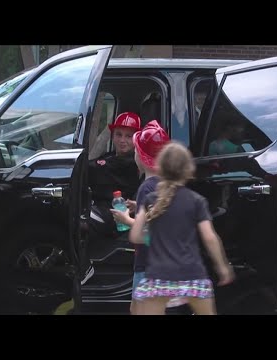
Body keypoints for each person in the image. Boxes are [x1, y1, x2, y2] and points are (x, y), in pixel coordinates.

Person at [129, 142, 235, 315]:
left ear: (160, 168)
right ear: (189, 170)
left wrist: (154, 238)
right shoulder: (196, 201)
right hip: (192, 276)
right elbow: (209, 238)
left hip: (158, 278)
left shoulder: (150, 199)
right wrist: (222, 267)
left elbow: (135, 236)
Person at [109, 120, 173, 314]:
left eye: (136, 150)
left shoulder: (146, 187)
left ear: (142, 158)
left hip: (148, 266)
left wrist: (126, 220)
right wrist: (139, 207)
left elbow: (149, 232)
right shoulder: (163, 183)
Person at [80, 112, 142, 285]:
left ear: (137, 139)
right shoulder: (111, 157)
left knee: (76, 219)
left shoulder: (130, 163)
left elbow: (89, 164)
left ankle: (83, 267)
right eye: (118, 135)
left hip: (114, 215)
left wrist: (107, 131)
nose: (123, 140)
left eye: (129, 136)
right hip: (101, 209)